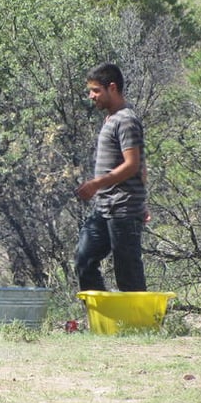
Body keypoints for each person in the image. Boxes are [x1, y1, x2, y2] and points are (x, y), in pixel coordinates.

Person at [74, 63, 147, 292]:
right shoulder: (110, 120)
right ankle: (102, 321)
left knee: (128, 273)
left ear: (112, 88)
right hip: (104, 209)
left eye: (96, 90)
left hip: (124, 209)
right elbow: (143, 166)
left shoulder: (126, 120)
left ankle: (139, 325)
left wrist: (96, 184)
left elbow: (133, 164)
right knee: (84, 259)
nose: (91, 96)